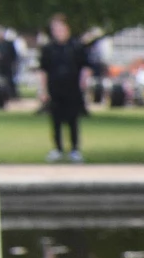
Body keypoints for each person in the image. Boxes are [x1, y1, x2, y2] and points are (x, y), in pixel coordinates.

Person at [36, 15, 101, 163]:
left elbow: (86, 67)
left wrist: (83, 85)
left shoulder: (76, 47)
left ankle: (74, 149)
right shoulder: (48, 49)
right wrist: (43, 90)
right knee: (56, 120)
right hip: (55, 89)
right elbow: (43, 70)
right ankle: (58, 149)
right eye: (55, 29)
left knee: (73, 120)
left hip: (72, 89)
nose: (58, 32)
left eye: (60, 28)